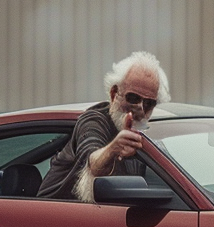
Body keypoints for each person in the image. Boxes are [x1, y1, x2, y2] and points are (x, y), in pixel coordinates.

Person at [38, 51, 171, 201]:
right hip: (54, 218)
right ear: (114, 94)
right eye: (133, 98)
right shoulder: (93, 121)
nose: (140, 108)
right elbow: (93, 164)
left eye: (148, 103)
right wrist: (113, 148)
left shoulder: (146, 135)